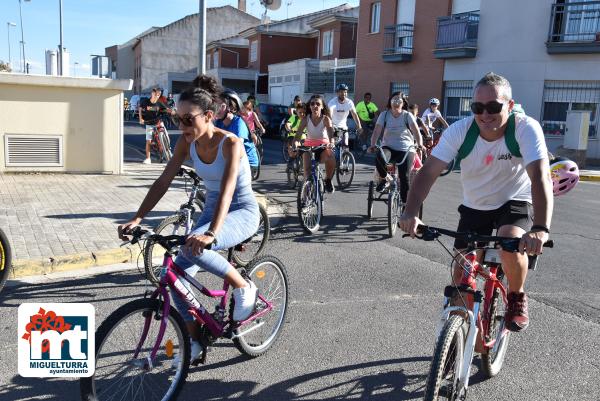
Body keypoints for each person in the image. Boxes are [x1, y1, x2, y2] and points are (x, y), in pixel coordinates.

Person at [119, 77, 260, 365]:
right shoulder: (187, 142)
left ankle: (244, 286)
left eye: (187, 119)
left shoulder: (230, 143)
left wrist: (211, 232)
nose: (181, 126)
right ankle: (194, 342)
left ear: (208, 116)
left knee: (196, 247)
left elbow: (228, 190)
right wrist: (137, 217)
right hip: (212, 211)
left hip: (242, 210)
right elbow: (162, 182)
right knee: (172, 279)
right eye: (177, 118)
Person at [400, 72, 553, 333]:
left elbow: (540, 177)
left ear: (510, 106)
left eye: (493, 106)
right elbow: (428, 172)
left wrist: (540, 227)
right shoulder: (461, 130)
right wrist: (411, 212)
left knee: (510, 244)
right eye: (477, 107)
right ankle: (454, 340)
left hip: (515, 199)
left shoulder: (525, 128)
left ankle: (516, 296)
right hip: (476, 204)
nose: (485, 114)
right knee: (462, 273)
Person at [368, 92, 424, 200]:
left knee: (404, 177)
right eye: (394, 99)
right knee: (380, 157)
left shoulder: (407, 115)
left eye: (399, 100)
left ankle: (404, 207)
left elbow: (416, 131)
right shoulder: (384, 115)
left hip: (406, 149)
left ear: (403, 103)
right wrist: (373, 144)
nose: (396, 102)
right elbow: (376, 131)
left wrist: (420, 144)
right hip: (388, 147)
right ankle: (385, 179)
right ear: (390, 101)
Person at [295, 94, 336, 193]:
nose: (315, 106)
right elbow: (298, 134)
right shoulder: (306, 119)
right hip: (308, 148)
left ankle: (328, 180)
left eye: (318, 104)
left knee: (331, 156)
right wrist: (295, 143)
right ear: (310, 106)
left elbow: (330, 132)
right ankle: (305, 199)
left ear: (322, 107)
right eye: (312, 104)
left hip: (322, 147)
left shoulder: (326, 119)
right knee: (307, 173)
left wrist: (331, 142)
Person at [214, 89, 261, 176]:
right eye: (216, 105)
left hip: (248, 163)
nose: (217, 108)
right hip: (231, 159)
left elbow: (236, 149)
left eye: (221, 105)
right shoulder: (219, 122)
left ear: (231, 107)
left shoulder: (239, 123)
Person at [139, 87, 171, 164]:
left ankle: (168, 150)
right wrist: (141, 119)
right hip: (149, 123)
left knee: (165, 133)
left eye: (159, 95)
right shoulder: (145, 102)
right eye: (156, 94)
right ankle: (148, 158)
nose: (157, 96)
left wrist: (171, 111)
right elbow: (140, 108)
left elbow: (167, 108)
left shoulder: (159, 102)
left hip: (158, 122)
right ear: (152, 93)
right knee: (148, 141)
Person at [328, 83, 362, 150]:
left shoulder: (349, 102)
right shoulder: (333, 102)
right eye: (341, 92)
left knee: (346, 145)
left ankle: (345, 156)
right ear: (337, 93)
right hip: (334, 126)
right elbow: (329, 114)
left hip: (344, 127)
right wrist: (330, 126)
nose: (343, 94)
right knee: (333, 145)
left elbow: (354, 115)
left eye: (345, 92)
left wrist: (359, 126)